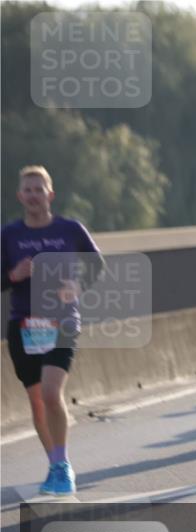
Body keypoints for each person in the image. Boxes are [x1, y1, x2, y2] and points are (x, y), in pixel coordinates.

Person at [2, 165, 105, 496]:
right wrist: (12, 276)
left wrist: (77, 284)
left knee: (50, 393)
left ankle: (62, 466)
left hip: (62, 321)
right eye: (27, 190)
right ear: (20, 197)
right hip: (24, 326)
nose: (33, 196)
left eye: (39, 189)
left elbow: (96, 265)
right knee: (36, 402)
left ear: (50, 194)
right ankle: (54, 464)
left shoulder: (70, 229)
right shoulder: (9, 235)